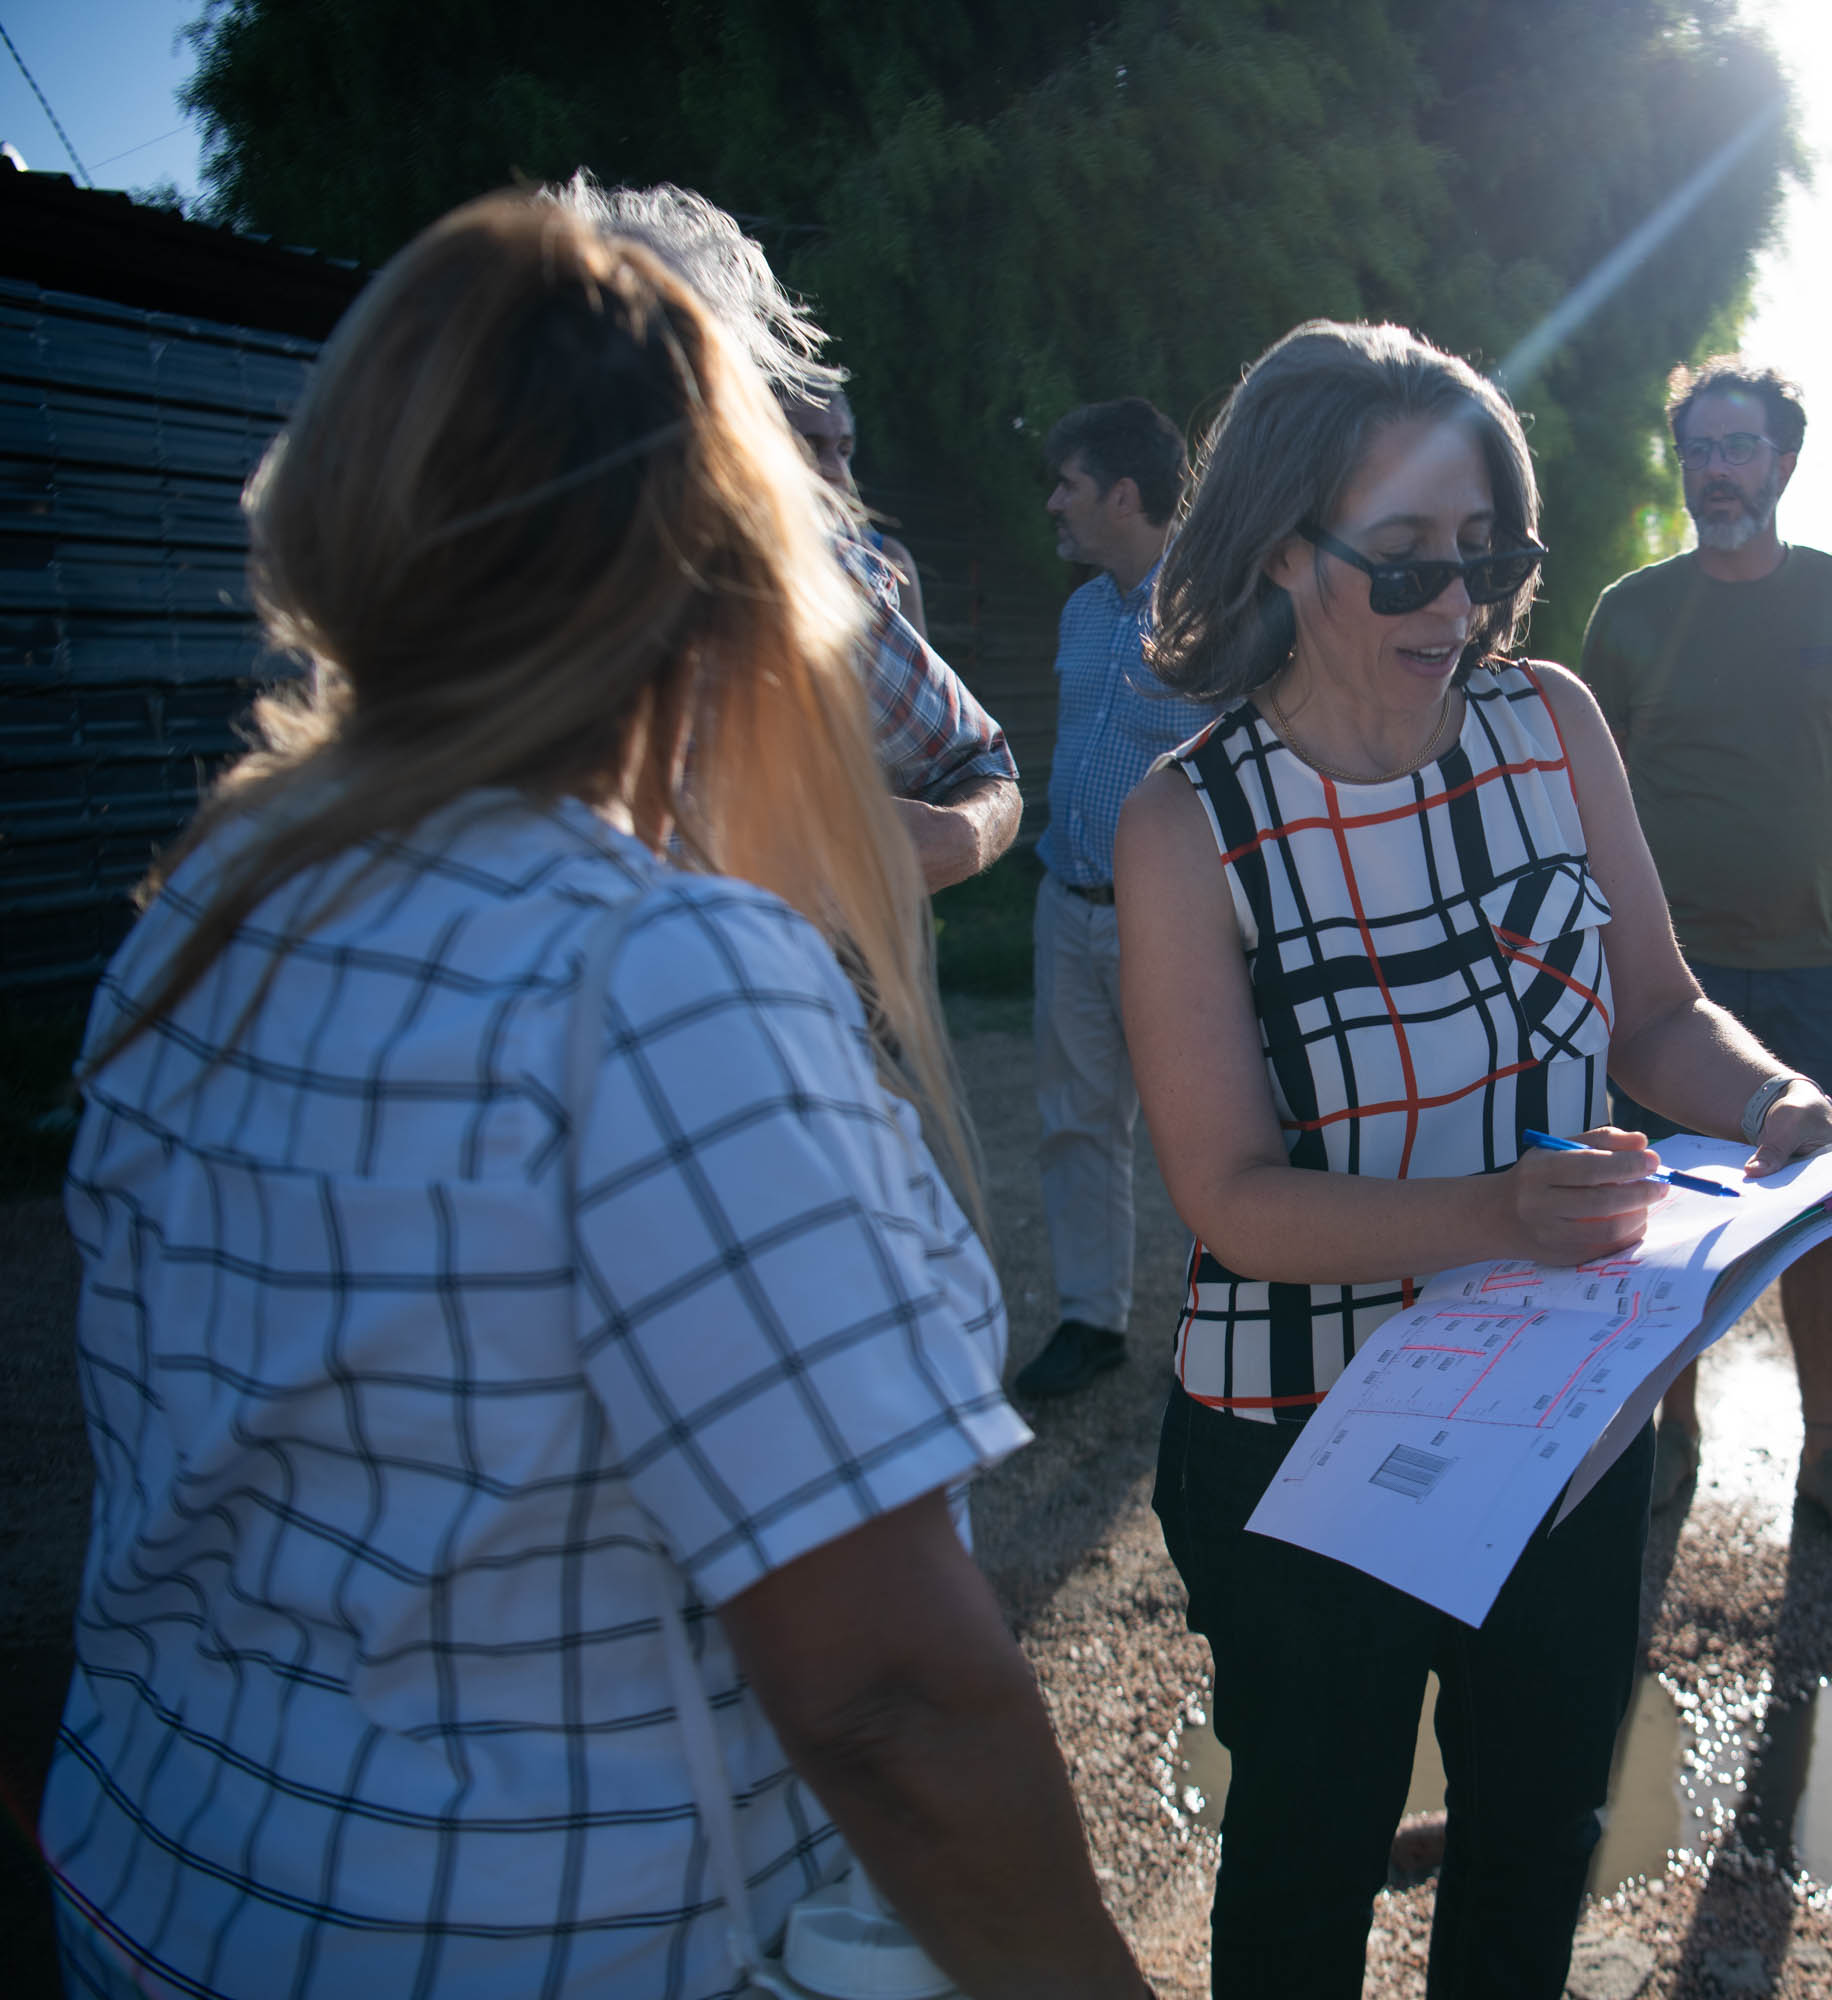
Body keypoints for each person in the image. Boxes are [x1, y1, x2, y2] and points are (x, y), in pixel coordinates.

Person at [44, 194, 1145, 1998]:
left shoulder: (209, 904)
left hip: (160, 1887)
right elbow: (886, 1694)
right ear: (723, 559)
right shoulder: (655, 975)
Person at [1115, 320, 1832, 1997]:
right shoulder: (1187, 821)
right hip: (1298, 1434)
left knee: (1533, 1839)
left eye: (1488, 556)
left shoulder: (1551, 722)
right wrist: (1497, 1214)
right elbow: (1230, 1199)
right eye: (1406, 565)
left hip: (1556, 1415)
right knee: (1304, 1860)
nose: (1456, 606)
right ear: (1282, 550)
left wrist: (1767, 1100)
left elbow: (1658, 1012)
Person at [1574, 358, 1832, 1548]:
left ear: (1784, 460)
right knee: (1668, 1205)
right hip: (1663, 972)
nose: (1716, 471)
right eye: (1699, 451)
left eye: (1738, 447)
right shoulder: (1630, 612)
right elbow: (1599, 785)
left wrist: (1801, 857)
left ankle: (1824, 1450)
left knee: (1816, 1199)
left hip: (1810, 958)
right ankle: (1673, 1434)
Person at [541, 176, 1018, 892]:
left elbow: (975, 767)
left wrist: (956, 838)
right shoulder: (454, 583)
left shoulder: (821, 580)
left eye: (669, 366)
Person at [1015, 397, 1206, 1402]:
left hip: (1170, 924)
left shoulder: (1218, 612)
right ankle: (1092, 1321)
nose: (1055, 502)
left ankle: (1234, 1325)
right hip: (1066, 899)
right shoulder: (1083, 611)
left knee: (1207, 1126)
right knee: (1075, 1122)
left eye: (1070, 484)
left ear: (1123, 495)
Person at [784, 383, 929, 641]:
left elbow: (917, 666)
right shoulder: (734, 564)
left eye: (843, 451)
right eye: (811, 448)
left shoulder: (887, 563)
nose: (839, 471)